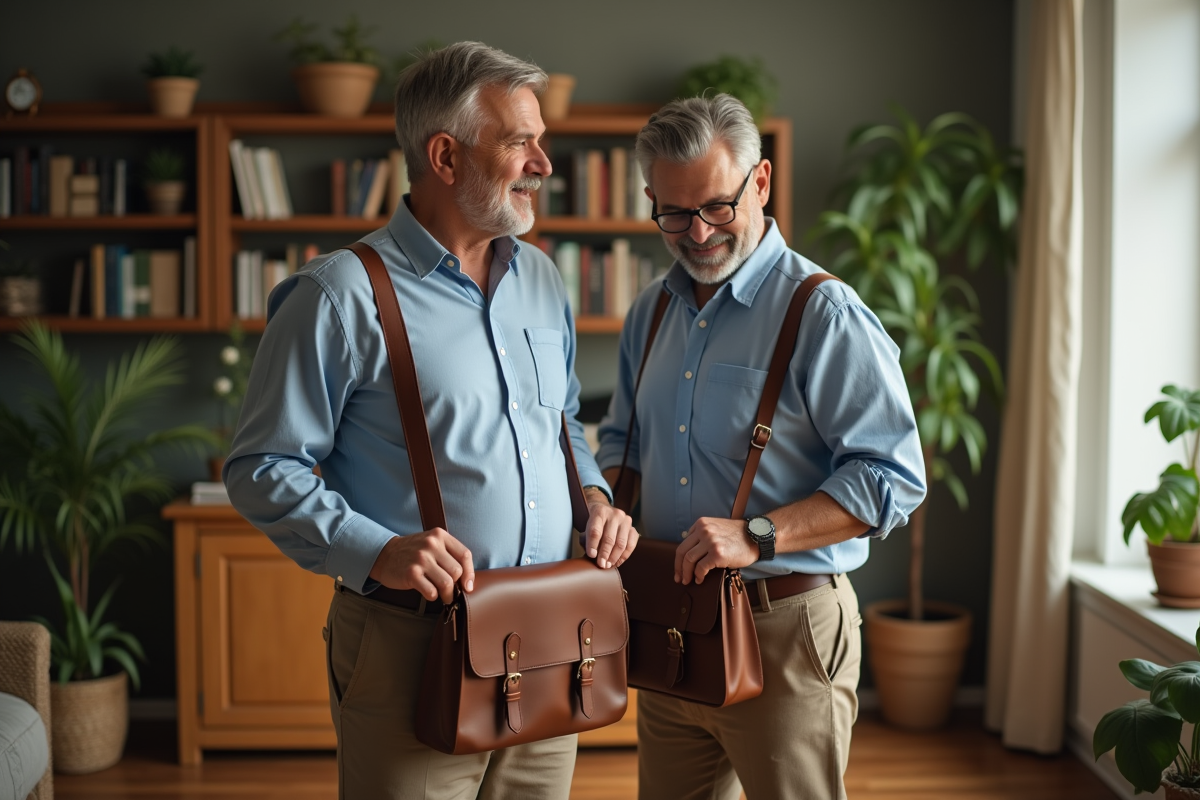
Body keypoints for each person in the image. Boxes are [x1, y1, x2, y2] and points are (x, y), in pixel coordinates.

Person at [224, 41, 637, 800]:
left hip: (550, 635)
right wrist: (376, 550)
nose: (544, 163)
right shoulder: (337, 295)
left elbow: (562, 422)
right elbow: (261, 467)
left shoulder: (543, 278)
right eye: (520, 142)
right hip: (410, 645)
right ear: (445, 156)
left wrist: (594, 497)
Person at [596, 93, 926, 800]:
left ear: (762, 182)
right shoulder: (649, 311)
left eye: (718, 206)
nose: (698, 233)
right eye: (674, 213)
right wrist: (609, 504)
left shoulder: (824, 312)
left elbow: (892, 477)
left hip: (786, 630)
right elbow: (624, 438)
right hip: (668, 623)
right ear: (651, 200)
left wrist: (758, 533)